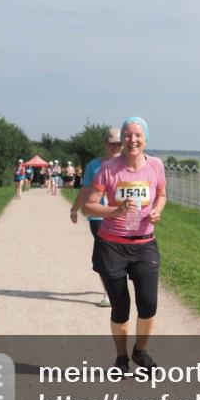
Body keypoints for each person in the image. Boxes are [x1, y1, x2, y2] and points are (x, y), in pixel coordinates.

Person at [84, 117, 167, 373]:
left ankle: (140, 351)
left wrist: (157, 210)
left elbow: (162, 194)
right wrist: (115, 210)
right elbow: (90, 205)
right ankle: (121, 358)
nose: (132, 139)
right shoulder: (108, 169)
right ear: (122, 139)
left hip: (144, 245)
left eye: (137, 135)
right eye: (127, 135)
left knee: (148, 304)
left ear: (145, 139)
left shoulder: (155, 166)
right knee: (121, 307)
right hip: (113, 247)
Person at [71, 128, 122, 308]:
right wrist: (74, 209)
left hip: (122, 217)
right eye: (112, 143)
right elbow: (85, 190)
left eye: (119, 144)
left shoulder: (128, 164)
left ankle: (119, 285)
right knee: (105, 255)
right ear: (105, 143)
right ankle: (109, 292)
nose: (115, 147)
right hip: (98, 217)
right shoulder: (94, 166)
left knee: (121, 254)